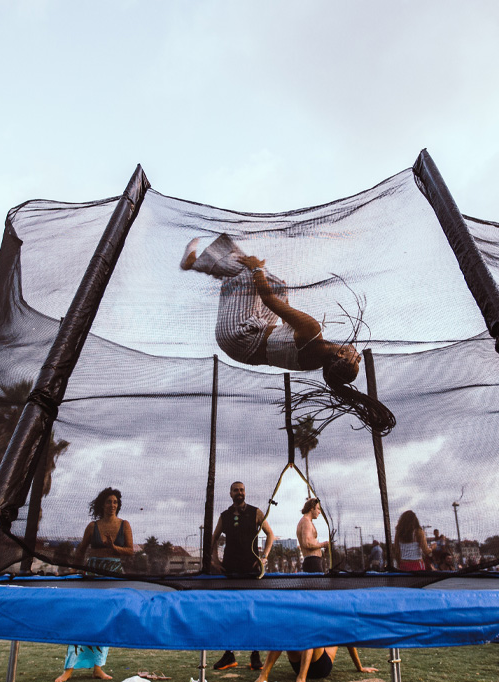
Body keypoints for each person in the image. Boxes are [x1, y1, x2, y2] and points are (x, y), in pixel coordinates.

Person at [181, 234, 395, 435]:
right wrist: (282, 298)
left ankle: (194, 263)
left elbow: (267, 299)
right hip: (245, 347)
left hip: (238, 335)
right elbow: (285, 326)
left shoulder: (311, 331)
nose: (356, 354)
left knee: (248, 274)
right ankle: (218, 264)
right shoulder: (315, 362)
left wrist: (256, 269)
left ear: (339, 356)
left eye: (354, 358)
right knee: (278, 286)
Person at [56, 488, 134, 682]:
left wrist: (113, 547)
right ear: (102, 504)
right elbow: (81, 550)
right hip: (92, 572)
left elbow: (130, 551)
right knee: (83, 617)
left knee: (104, 620)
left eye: (115, 502)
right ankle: (69, 668)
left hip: (113, 574)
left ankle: (98, 667)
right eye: (109, 501)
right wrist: (74, 570)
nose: (112, 505)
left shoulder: (125, 525)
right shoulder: (93, 526)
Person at [208, 481, 275, 671]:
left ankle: (255, 655)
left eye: (242, 490)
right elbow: (213, 539)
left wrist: (264, 557)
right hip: (230, 569)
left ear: (245, 492)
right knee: (229, 611)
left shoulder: (256, 512)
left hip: (251, 570)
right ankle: (229, 655)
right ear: (230, 493)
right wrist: (214, 560)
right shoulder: (225, 516)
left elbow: (270, 534)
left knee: (252, 611)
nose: (240, 492)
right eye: (236, 490)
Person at [254, 647, 377, 682]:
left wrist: (360, 667)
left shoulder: (336, 622)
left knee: (313, 638)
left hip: (322, 668)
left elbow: (350, 644)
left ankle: (301, 679)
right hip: (300, 663)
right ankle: (263, 677)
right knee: (284, 637)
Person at [297, 498, 329, 573]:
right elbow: (307, 543)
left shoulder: (307, 521)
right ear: (312, 508)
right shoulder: (306, 522)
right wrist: (324, 544)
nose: (319, 512)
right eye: (318, 509)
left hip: (313, 561)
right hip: (312, 562)